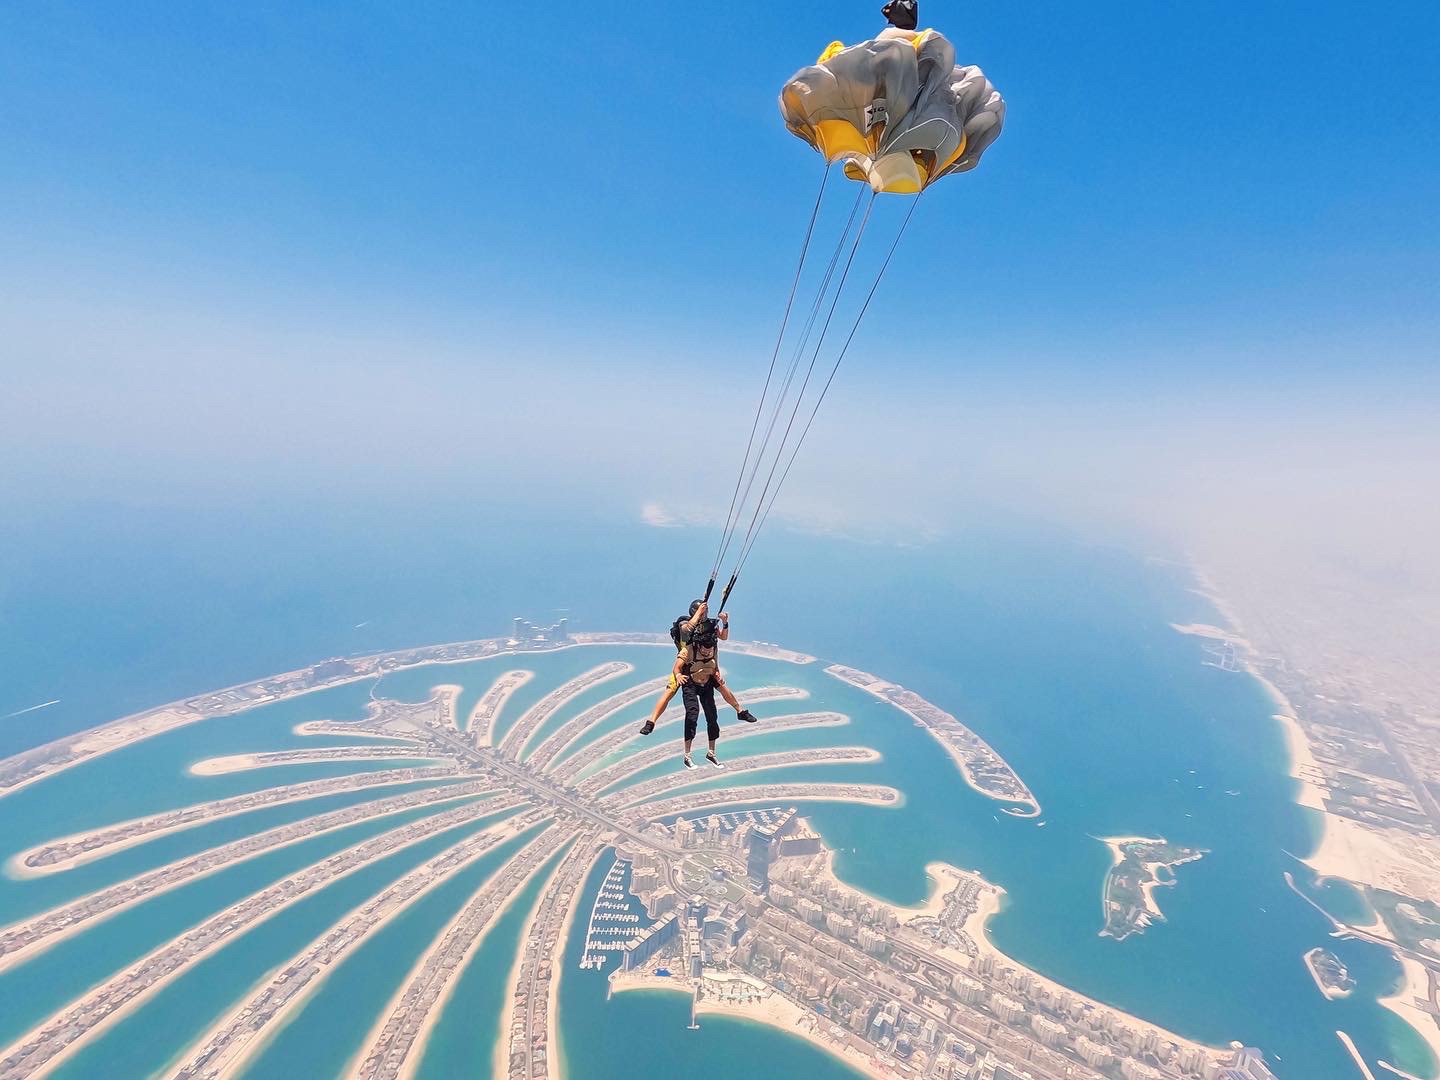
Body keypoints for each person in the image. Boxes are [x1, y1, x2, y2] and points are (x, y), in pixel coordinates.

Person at [638, 601, 756, 757]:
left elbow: (722, 637)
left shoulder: (708, 625)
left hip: (704, 664)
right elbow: (686, 631)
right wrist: (698, 614)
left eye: (706, 612)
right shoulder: (684, 621)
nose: (704, 615)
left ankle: (740, 711)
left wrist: (725, 623)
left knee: (722, 687)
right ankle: (651, 722)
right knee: (670, 690)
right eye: (702, 612)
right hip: (686, 664)